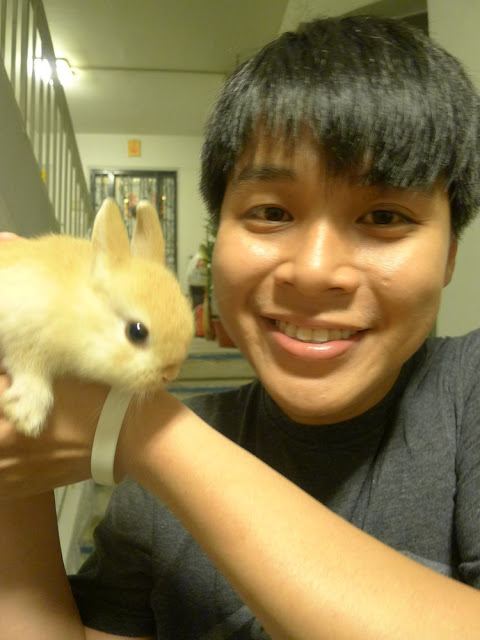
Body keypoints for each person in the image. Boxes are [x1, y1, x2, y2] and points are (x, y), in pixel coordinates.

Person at [2, 14, 480, 639]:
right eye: (272, 211)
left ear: (449, 254)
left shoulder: (465, 396)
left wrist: (150, 439)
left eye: (385, 215)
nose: (314, 272)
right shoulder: (149, 494)